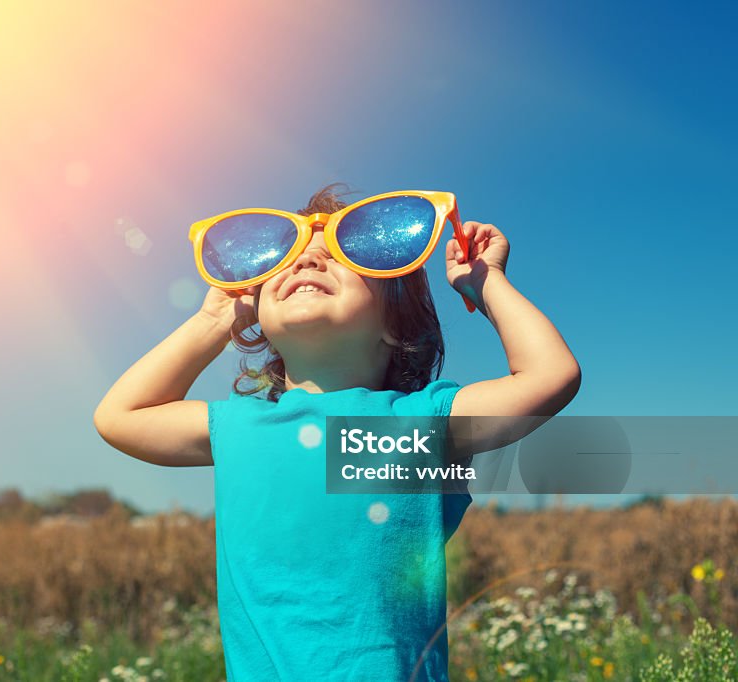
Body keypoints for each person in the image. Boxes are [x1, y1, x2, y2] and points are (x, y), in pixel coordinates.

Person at [93, 182, 581, 681]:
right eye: (287, 263)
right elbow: (120, 417)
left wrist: (485, 281)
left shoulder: (422, 421)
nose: (306, 263)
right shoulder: (241, 425)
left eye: (336, 258)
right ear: (257, 316)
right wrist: (213, 319)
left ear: (396, 324)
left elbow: (549, 377)